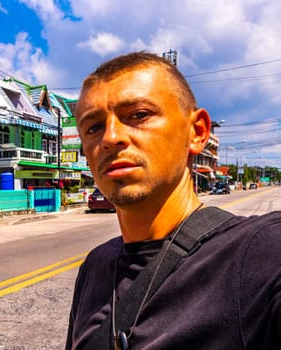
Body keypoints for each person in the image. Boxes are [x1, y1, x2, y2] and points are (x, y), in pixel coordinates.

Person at [65, 52, 281, 349]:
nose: (111, 137)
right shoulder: (94, 266)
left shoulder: (261, 252)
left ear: (197, 132)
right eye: (93, 127)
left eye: (139, 115)